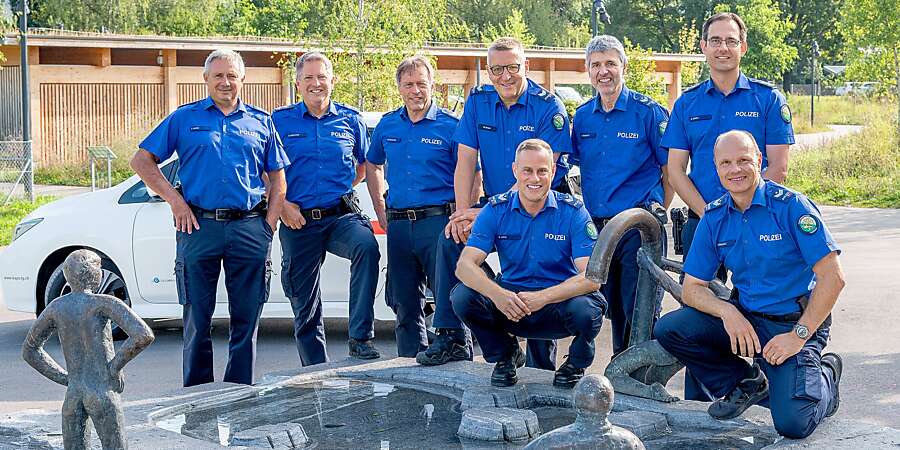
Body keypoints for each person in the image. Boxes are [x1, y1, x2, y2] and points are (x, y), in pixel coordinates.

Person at [653, 130, 844, 439]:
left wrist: (798, 337)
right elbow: (692, 288)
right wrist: (729, 313)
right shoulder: (714, 217)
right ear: (716, 168)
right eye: (725, 163)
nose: (735, 170)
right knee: (671, 328)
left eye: (743, 160)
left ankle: (824, 378)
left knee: (793, 423)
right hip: (747, 317)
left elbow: (833, 278)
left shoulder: (791, 207)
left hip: (794, 323)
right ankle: (747, 383)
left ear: (759, 160)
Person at [131, 49, 288, 387]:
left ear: (242, 79)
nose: (225, 82)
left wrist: (269, 226)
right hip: (198, 227)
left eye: (232, 75)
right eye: (218, 75)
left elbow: (278, 179)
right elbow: (142, 162)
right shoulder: (184, 119)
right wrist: (174, 201)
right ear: (205, 80)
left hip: (249, 228)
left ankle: (238, 393)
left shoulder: (260, 122)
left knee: (246, 320)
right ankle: (197, 398)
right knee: (197, 320)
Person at [661, 12, 795, 400]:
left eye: (730, 40)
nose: (723, 47)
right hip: (702, 219)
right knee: (699, 307)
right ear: (703, 48)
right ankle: (704, 397)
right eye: (715, 40)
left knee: (760, 298)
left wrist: (740, 210)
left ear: (743, 47)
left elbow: (778, 167)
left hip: (759, 218)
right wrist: (711, 214)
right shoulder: (687, 104)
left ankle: (774, 374)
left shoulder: (767, 99)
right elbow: (675, 170)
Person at [418, 37, 573, 370]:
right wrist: (462, 214)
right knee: (452, 240)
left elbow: (537, 176)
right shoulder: (478, 101)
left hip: (540, 206)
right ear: (488, 71)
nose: (505, 76)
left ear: (526, 67)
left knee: (536, 272)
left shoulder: (549, 107)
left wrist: (488, 210)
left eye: (513, 68)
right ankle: (454, 338)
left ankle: (540, 364)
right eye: (497, 69)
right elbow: (465, 161)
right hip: (495, 204)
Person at [451, 139, 605, 388]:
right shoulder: (495, 210)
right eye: (527, 171)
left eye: (542, 170)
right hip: (512, 303)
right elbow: (464, 266)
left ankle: (576, 363)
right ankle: (505, 356)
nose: (535, 178)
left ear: (553, 171)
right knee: (463, 296)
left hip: (557, 305)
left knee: (588, 308)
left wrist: (543, 297)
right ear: (515, 171)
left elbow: (591, 276)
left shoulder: (574, 212)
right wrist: (498, 295)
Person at [272, 52, 381, 366]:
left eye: (322, 77)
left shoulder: (351, 120)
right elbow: (265, 171)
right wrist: (282, 207)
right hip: (297, 218)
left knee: (366, 246)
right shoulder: (279, 121)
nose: (316, 83)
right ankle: (316, 369)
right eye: (309, 78)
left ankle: (360, 338)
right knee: (303, 301)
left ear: (332, 81)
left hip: (340, 216)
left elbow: (364, 166)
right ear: (298, 84)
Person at [571, 35, 671, 355]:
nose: (604, 71)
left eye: (610, 63)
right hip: (599, 230)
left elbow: (671, 170)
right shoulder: (583, 116)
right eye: (596, 65)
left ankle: (642, 382)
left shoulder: (649, 113)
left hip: (636, 229)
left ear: (623, 66)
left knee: (638, 313)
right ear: (588, 71)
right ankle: (620, 378)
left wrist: (653, 217)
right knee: (613, 310)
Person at [365, 56, 460, 357]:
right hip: (399, 225)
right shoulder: (388, 124)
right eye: (409, 84)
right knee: (404, 301)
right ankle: (409, 365)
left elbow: (471, 172)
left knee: (448, 299)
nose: (416, 90)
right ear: (400, 88)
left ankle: (460, 363)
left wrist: (463, 214)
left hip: (438, 222)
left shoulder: (450, 126)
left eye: (421, 83)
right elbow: (373, 164)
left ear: (433, 85)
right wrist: (381, 209)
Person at [23, 250, 155, 450]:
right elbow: (144, 335)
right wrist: (114, 367)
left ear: (68, 275)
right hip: (101, 392)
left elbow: (30, 350)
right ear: (95, 274)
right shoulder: (104, 303)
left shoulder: (56, 307)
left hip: (73, 395)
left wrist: (66, 378)